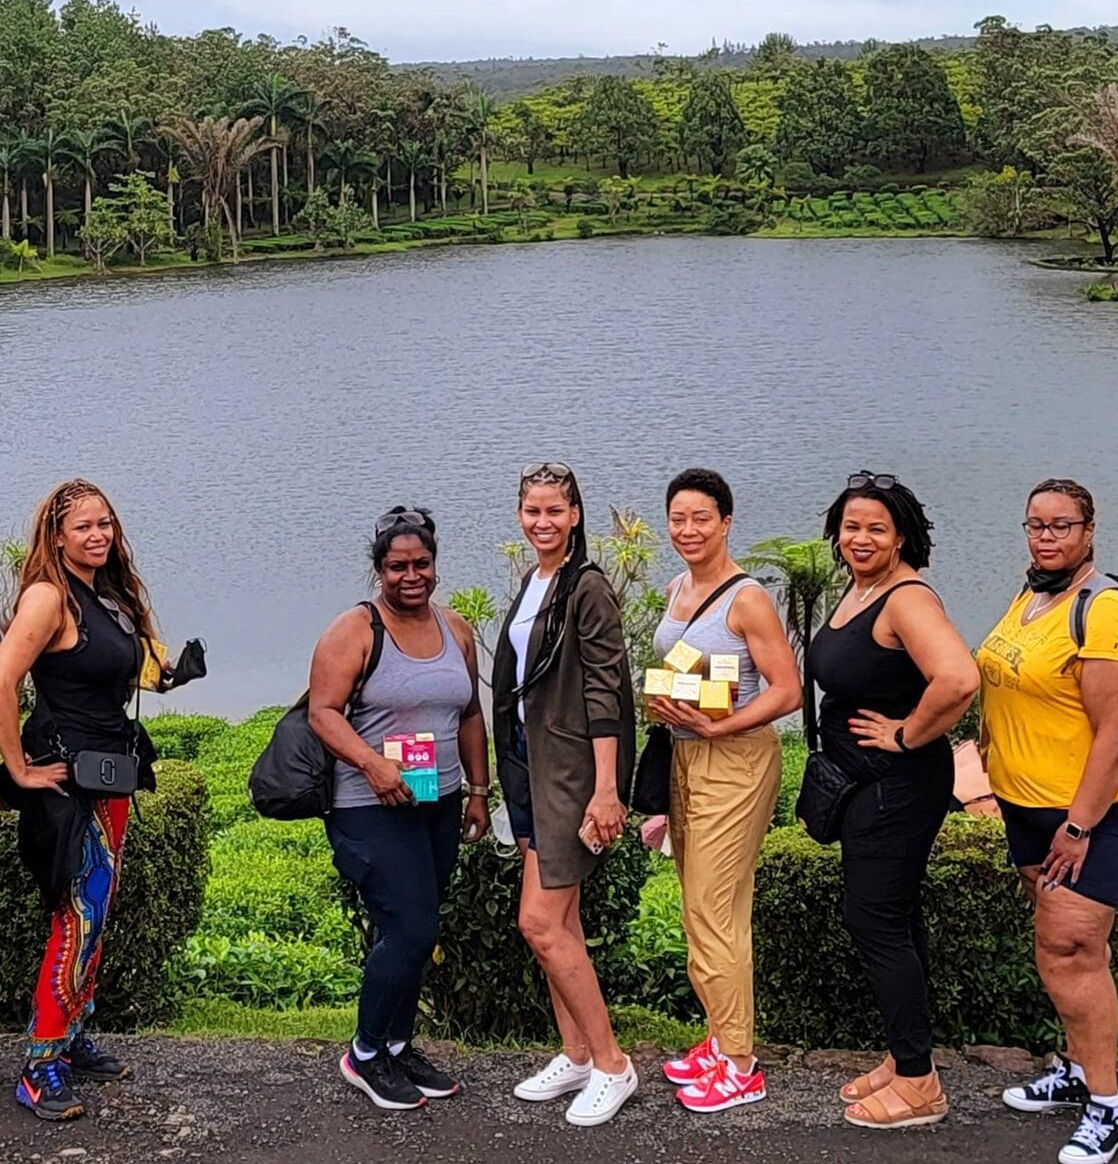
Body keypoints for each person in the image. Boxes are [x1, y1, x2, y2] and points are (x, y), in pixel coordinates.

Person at [979, 479, 1118, 1164]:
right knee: (1061, 947)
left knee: (1070, 950)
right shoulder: (1035, 594)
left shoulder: (1104, 610)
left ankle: (1107, 1106)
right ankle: (1080, 1072)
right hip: (1031, 806)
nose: (1046, 537)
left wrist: (1078, 827)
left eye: (1061, 526)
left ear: (1089, 530)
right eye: (1035, 525)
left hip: (1092, 810)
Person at [0, 480, 163, 1124]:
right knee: (75, 919)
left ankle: (71, 1031)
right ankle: (39, 1066)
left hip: (110, 771)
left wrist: (165, 674)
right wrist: (19, 769)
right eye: (84, 526)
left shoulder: (104, 596)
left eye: (106, 524)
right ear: (56, 536)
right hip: (67, 782)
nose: (98, 535)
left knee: (96, 913)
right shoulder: (47, 597)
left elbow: (108, 672)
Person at [308, 506, 491, 1111]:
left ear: (435, 564)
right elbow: (323, 713)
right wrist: (372, 765)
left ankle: (397, 1042)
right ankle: (363, 1053)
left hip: (436, 801)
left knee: (417, 927)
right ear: (378, 570)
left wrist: (479, 792)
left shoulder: (456, 628)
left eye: (421, 564)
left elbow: (468, 714)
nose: (411, 576)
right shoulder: (355, 630)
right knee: (410, 927)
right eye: (396, 567)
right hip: (369, 805)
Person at [810, 472, 978, 1132]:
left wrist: (905, 734)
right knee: (895, 918)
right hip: (867, 782)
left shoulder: (906, 599)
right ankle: (907, 1058)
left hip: (897, 786)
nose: (861, 537)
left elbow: (958, 678)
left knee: (873, 919)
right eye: (851, 527)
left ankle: (918, 1085)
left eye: (876, 528)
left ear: (901, 535)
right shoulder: (863, 588)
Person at [648, 468, 802, 1114]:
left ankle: (739, 1063)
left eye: (701, 519)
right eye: (678, 519)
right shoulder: (678, 586)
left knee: (715, 912)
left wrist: (722, 725)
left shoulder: (747, 599)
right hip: (685, 760)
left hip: (734, 760)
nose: (688, 530)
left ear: (727, 522)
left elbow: (787, 690)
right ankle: (719, 1036)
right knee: (701, 907)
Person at [493, 462, 638, 1127]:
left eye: (555, 511)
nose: (543, 522)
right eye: (532, 511)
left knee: (539, 922)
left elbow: (607, 691)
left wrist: (607, 789)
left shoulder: (588, 588)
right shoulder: (535, 582)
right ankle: (576, 1054)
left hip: (573, 775)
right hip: (531, 765)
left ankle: (612, 1064)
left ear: (576, 515)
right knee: (564, 920)